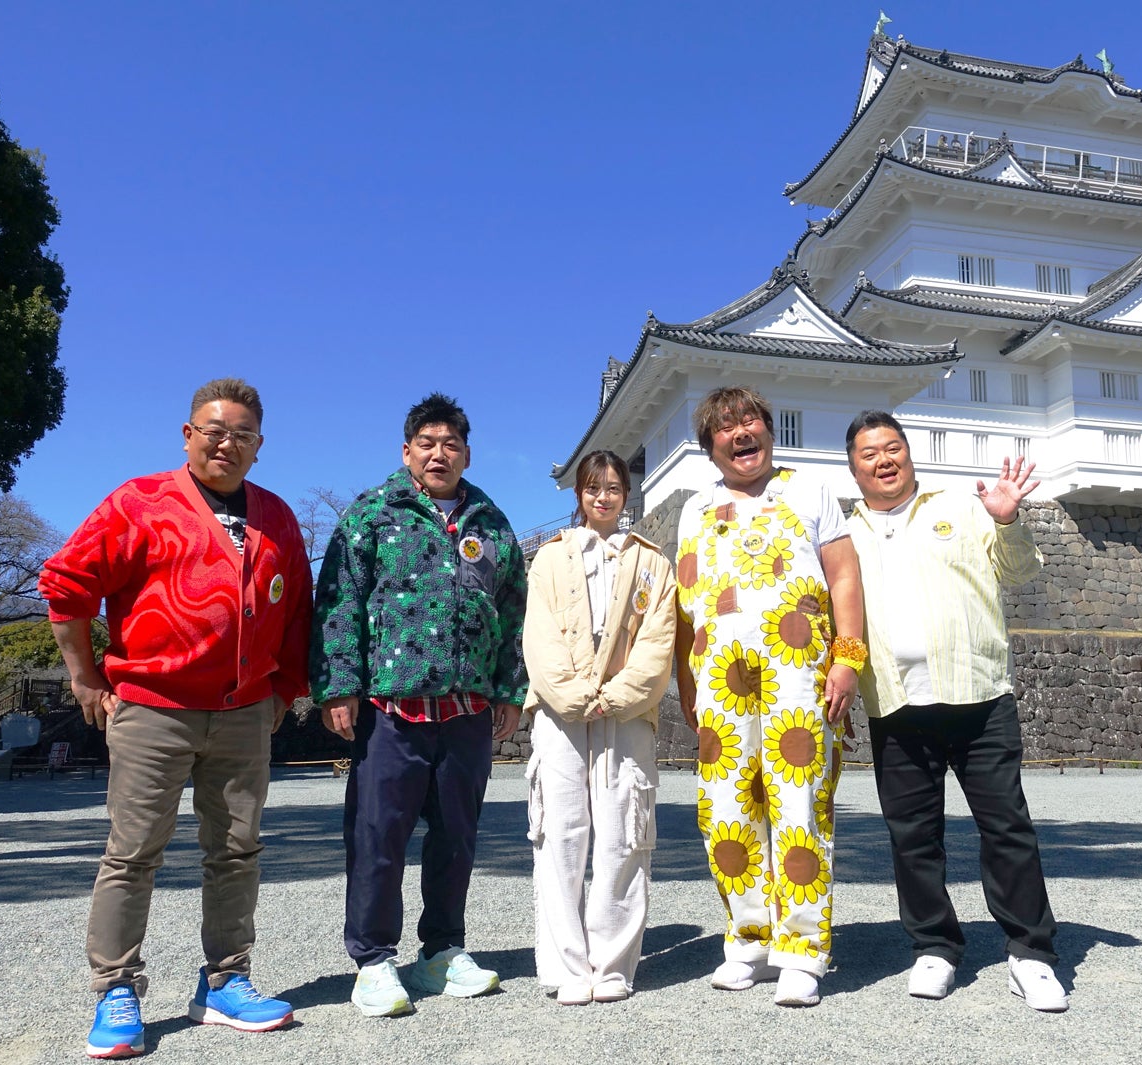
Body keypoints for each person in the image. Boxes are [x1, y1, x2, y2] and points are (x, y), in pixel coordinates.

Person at [40, 377, 313, 1058]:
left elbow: (297, 612)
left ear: (259, 447)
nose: (227, 443)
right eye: (213, 430)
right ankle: (115, 986)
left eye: (242, 434)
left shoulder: (277, 517)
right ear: (188, 434)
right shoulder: (139, 502)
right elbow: (67, 584)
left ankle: (225, 979)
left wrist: (282, 691)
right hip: (152, 707)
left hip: (245, 713)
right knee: (133, 854)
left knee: (236, 851)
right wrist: (84, 676)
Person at [312, 392, 528, 1019]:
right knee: (378, 835)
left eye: (451, 444)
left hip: (466, 709)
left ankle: (442, 952)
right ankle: (375, 961)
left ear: (466, 453)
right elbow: (340, 602)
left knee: (457, 836)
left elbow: (511, 611)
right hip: (391, 709)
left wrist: (509, 689)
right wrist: (338, 685)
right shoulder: (372, 514)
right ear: (406, 451)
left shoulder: (491, 522)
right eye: (427, 444)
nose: (440, 454)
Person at [843, 409, 1067, 1012]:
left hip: (978, 693)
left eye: (893, 448)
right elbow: (838, 617)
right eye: (869, 453)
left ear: (910, 454)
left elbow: (1018, 572)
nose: (884, 460)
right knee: (913, 837)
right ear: (853, 467)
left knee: (1006, 827)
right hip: (894, 701)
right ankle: (934, 947)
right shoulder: (844, 536)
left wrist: (1008, 518)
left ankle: (1031, 953)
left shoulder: (962, 508)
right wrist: (838, 674)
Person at [673, 386, 865, 1008]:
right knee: (727, 808)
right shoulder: (694, 509)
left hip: (799, 673)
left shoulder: (808, 491)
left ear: (768, 430)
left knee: (799, 801)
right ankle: (747, 937)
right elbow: (685, 612)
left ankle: (803, 950)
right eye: (725, 428)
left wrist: (848, 661)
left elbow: (843, 576)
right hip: (720, 678)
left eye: (750, 421)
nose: (740, 434)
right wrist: (687, 686)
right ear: (710, 446)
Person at [522, 451, 676, 1005]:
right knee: (559, 834)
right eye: (593, 488)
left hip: (626, 712)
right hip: (561, 712)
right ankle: (565, 966)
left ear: (628, 493)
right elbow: (538, 635)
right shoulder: (549, 557)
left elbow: (659, 641)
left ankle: (612, 963)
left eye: (614, 487)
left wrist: (615, 696)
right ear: (578, 495)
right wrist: (572, 695)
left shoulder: (654, 563)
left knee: (623, 832)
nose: (604, 497)